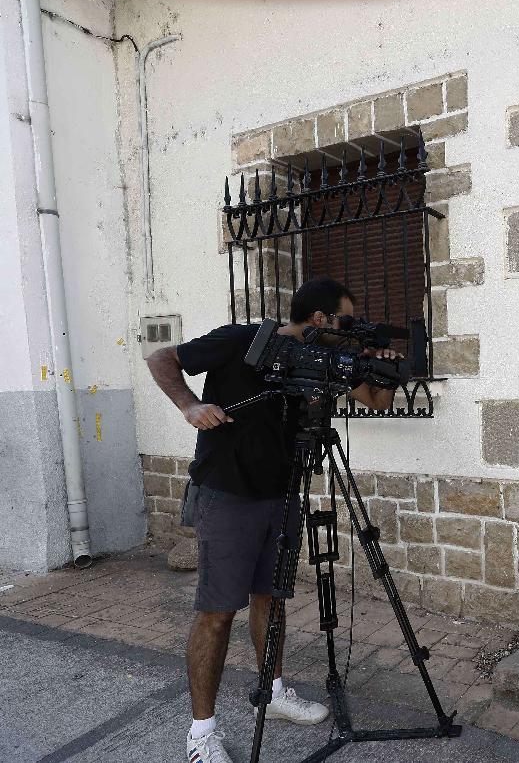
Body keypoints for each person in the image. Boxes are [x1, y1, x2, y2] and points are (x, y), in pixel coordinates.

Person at [146, 277, 400, 763]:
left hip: (282, 493)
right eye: (344, 320)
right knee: (218, 613)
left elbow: (378, 402)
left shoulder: (326, 361)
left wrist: (382, 368)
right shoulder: (242, 339)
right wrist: (190, 405)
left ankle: (274, 691)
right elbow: (163, 358)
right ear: (320, 318)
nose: (347, 331)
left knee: (273, 598)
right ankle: (202, 733)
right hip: (227, 492)